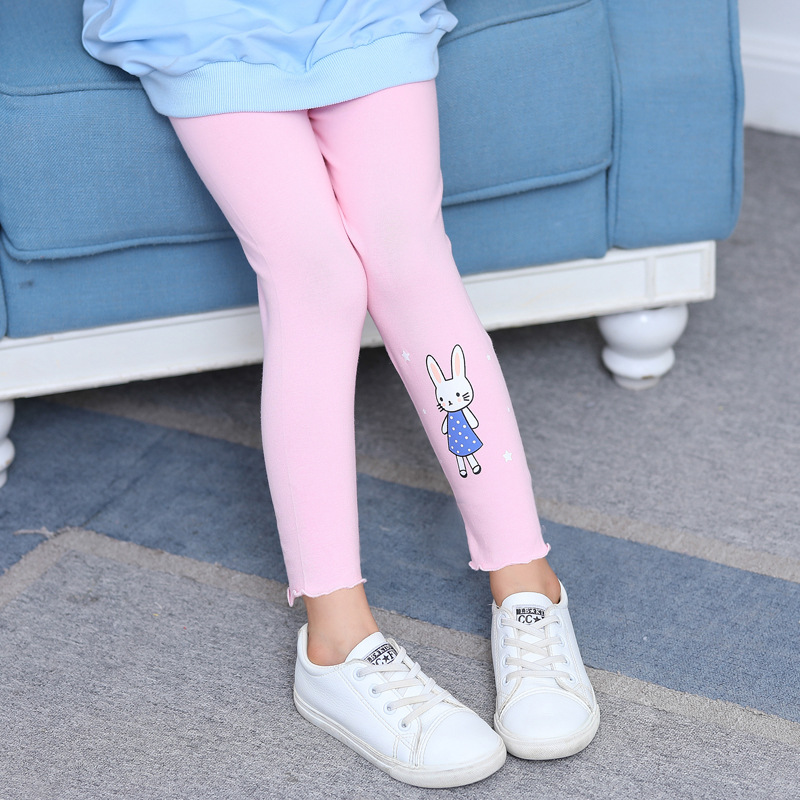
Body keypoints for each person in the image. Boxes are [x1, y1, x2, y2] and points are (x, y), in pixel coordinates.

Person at [82, 0, 599, 788]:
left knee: (410, 261)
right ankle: (335, 639)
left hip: (359, 13)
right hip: (204, 20)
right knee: (315, 279)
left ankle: (528, 584)